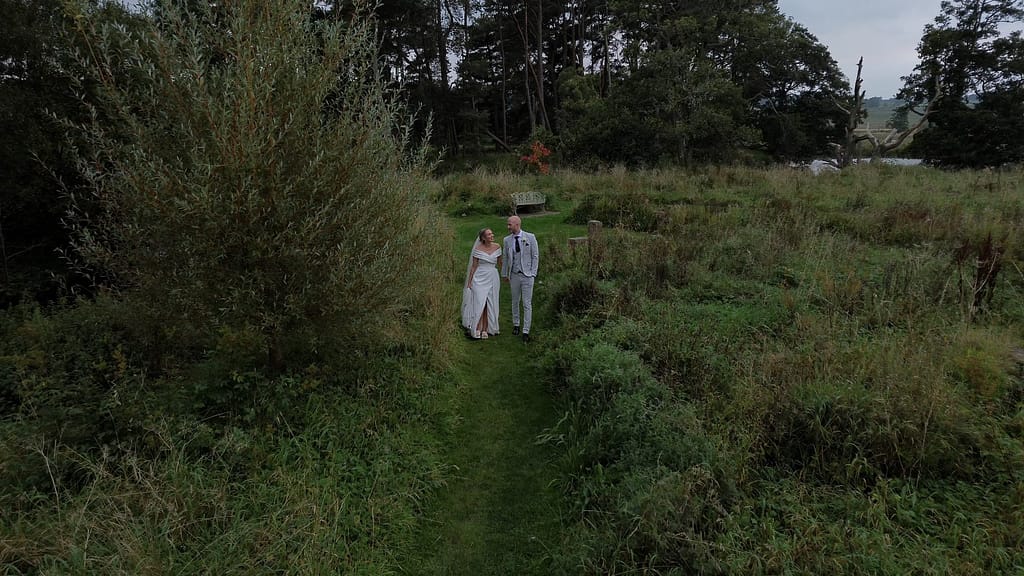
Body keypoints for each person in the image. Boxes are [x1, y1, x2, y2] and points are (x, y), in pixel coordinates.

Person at [501, 215, 539, 342]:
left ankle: (526, 330)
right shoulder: (507, 240)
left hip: (527, 275)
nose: (508, 227)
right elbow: (506, 258)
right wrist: (505, 274)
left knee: (527, 303)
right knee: (515, 301)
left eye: (509, 224)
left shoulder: (530, 237)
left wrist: (533, 273)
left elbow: (535, 256)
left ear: (517, 224)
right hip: (514, 274)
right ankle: (516, 324)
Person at [461, 228, 502, 339]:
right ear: (483, 238)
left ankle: (486, 328)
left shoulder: (497, 247)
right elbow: (474, 266)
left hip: (493, 276)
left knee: (490, 301)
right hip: (479, 277)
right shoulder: (478, 249)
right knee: (479, 301)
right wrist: (469, 282)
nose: (492, 235)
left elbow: (500, 263)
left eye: (492, 233)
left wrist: (505, 275)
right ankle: (477, 327)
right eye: (489, 234)